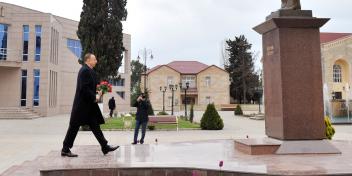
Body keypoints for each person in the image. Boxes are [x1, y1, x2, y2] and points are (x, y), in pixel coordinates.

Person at [61, 53, 119, 157]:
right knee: (74, 127)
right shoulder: (84, 71)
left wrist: (101, 90)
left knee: (95, 126)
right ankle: (65, 149)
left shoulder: (91, 71)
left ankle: (105, 146)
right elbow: (84, 88)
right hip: (81, 106)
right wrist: (95, 97)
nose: (96, 61)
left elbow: (95, 86)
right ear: (88, 60)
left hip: (89, 106)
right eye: (94, 59)